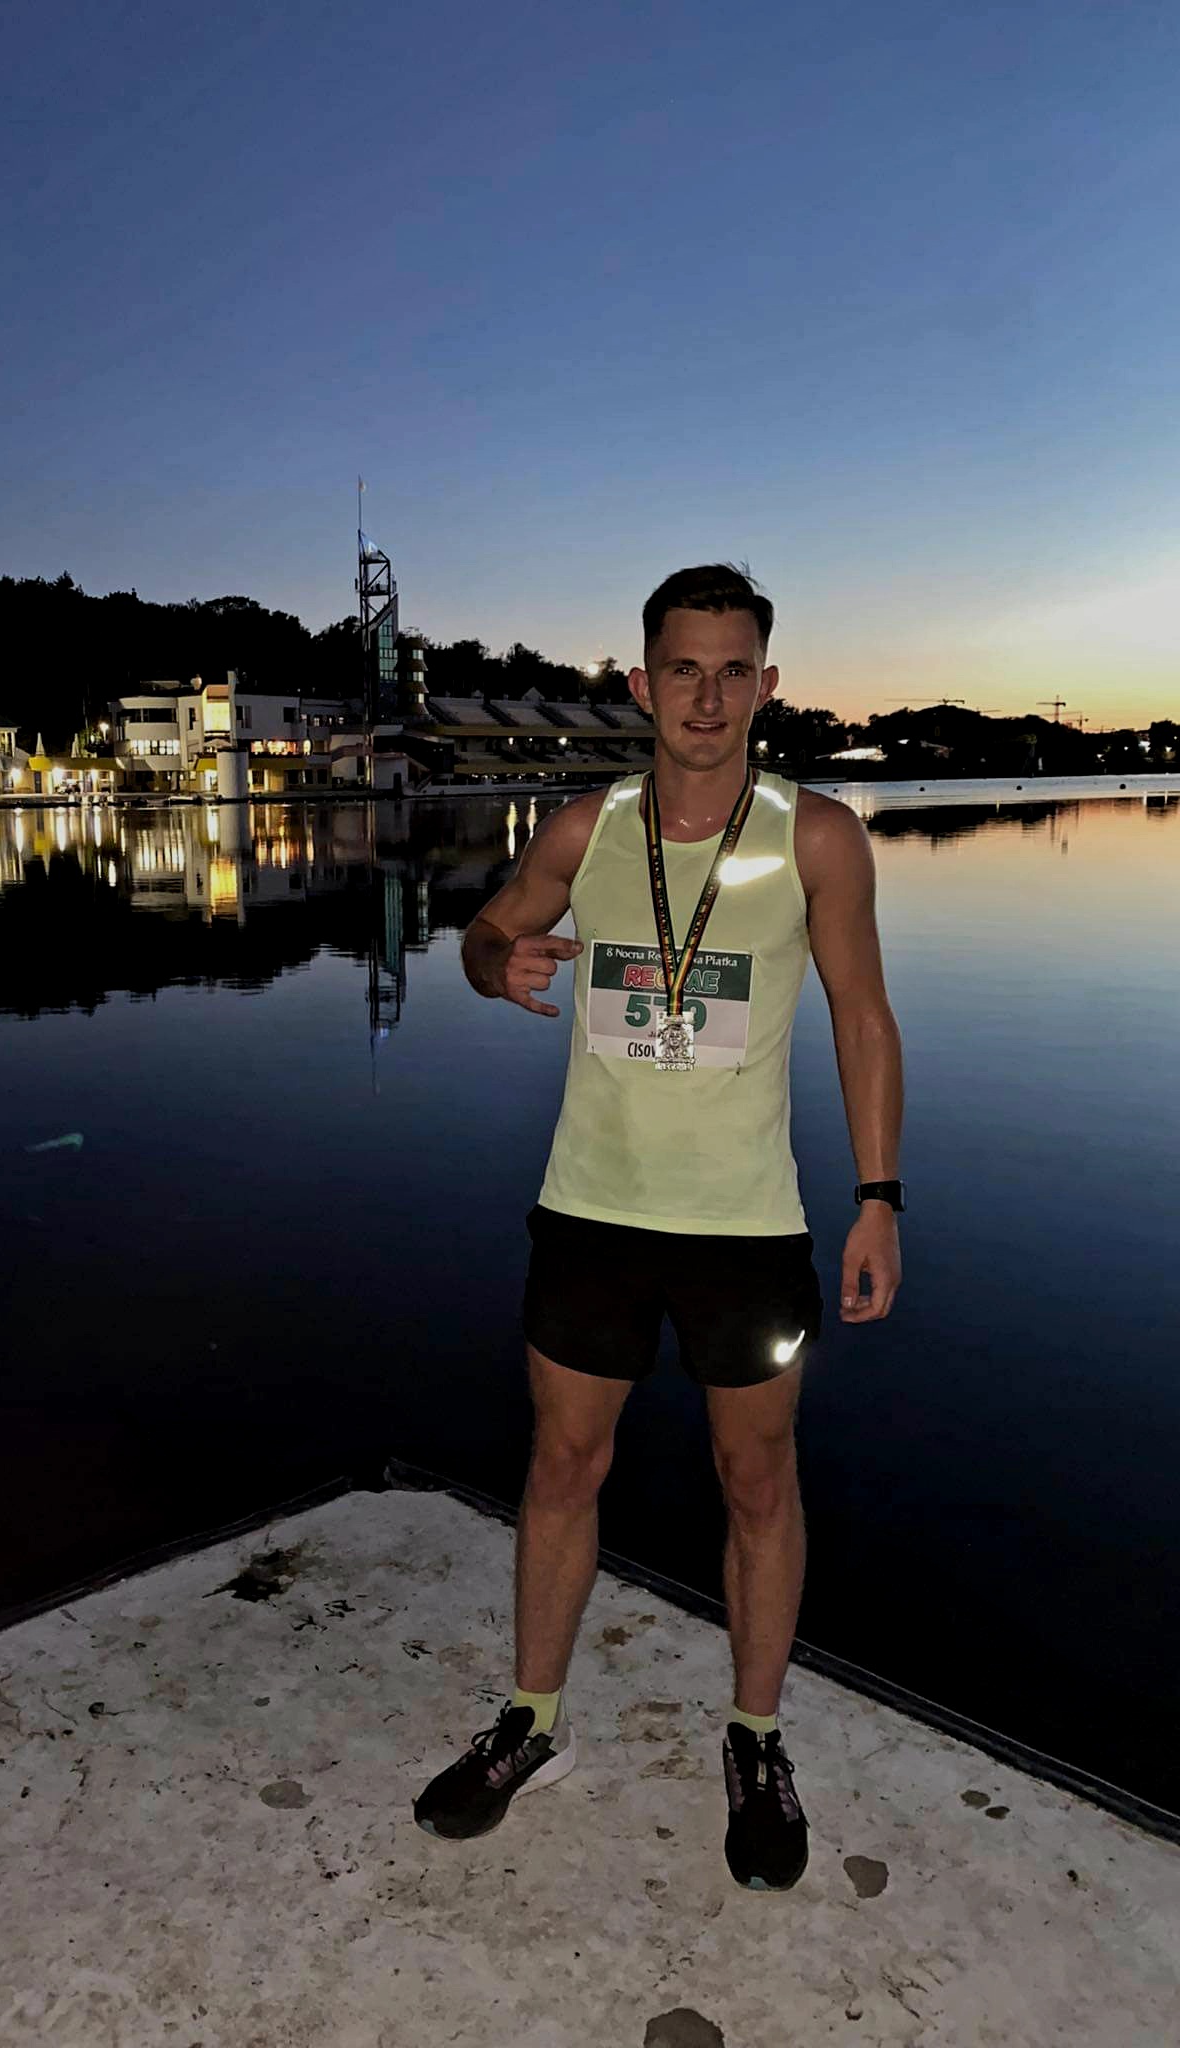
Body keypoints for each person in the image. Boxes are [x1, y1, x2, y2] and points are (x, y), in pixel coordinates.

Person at [413, 563, 904, 1890]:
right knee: (564, 1465)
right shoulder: (587, 829)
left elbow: (863, 1016)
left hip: (749, 1230)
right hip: (592, 1212)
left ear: (768, 684)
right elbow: (485, 934)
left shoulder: (818, 838)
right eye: (683, 668)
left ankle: (756, 1742)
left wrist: (879, 1197)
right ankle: (532, 1724)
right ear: (641, 683)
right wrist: (497, 963)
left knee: (759, 1482)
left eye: (734, 670)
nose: (707, 696)